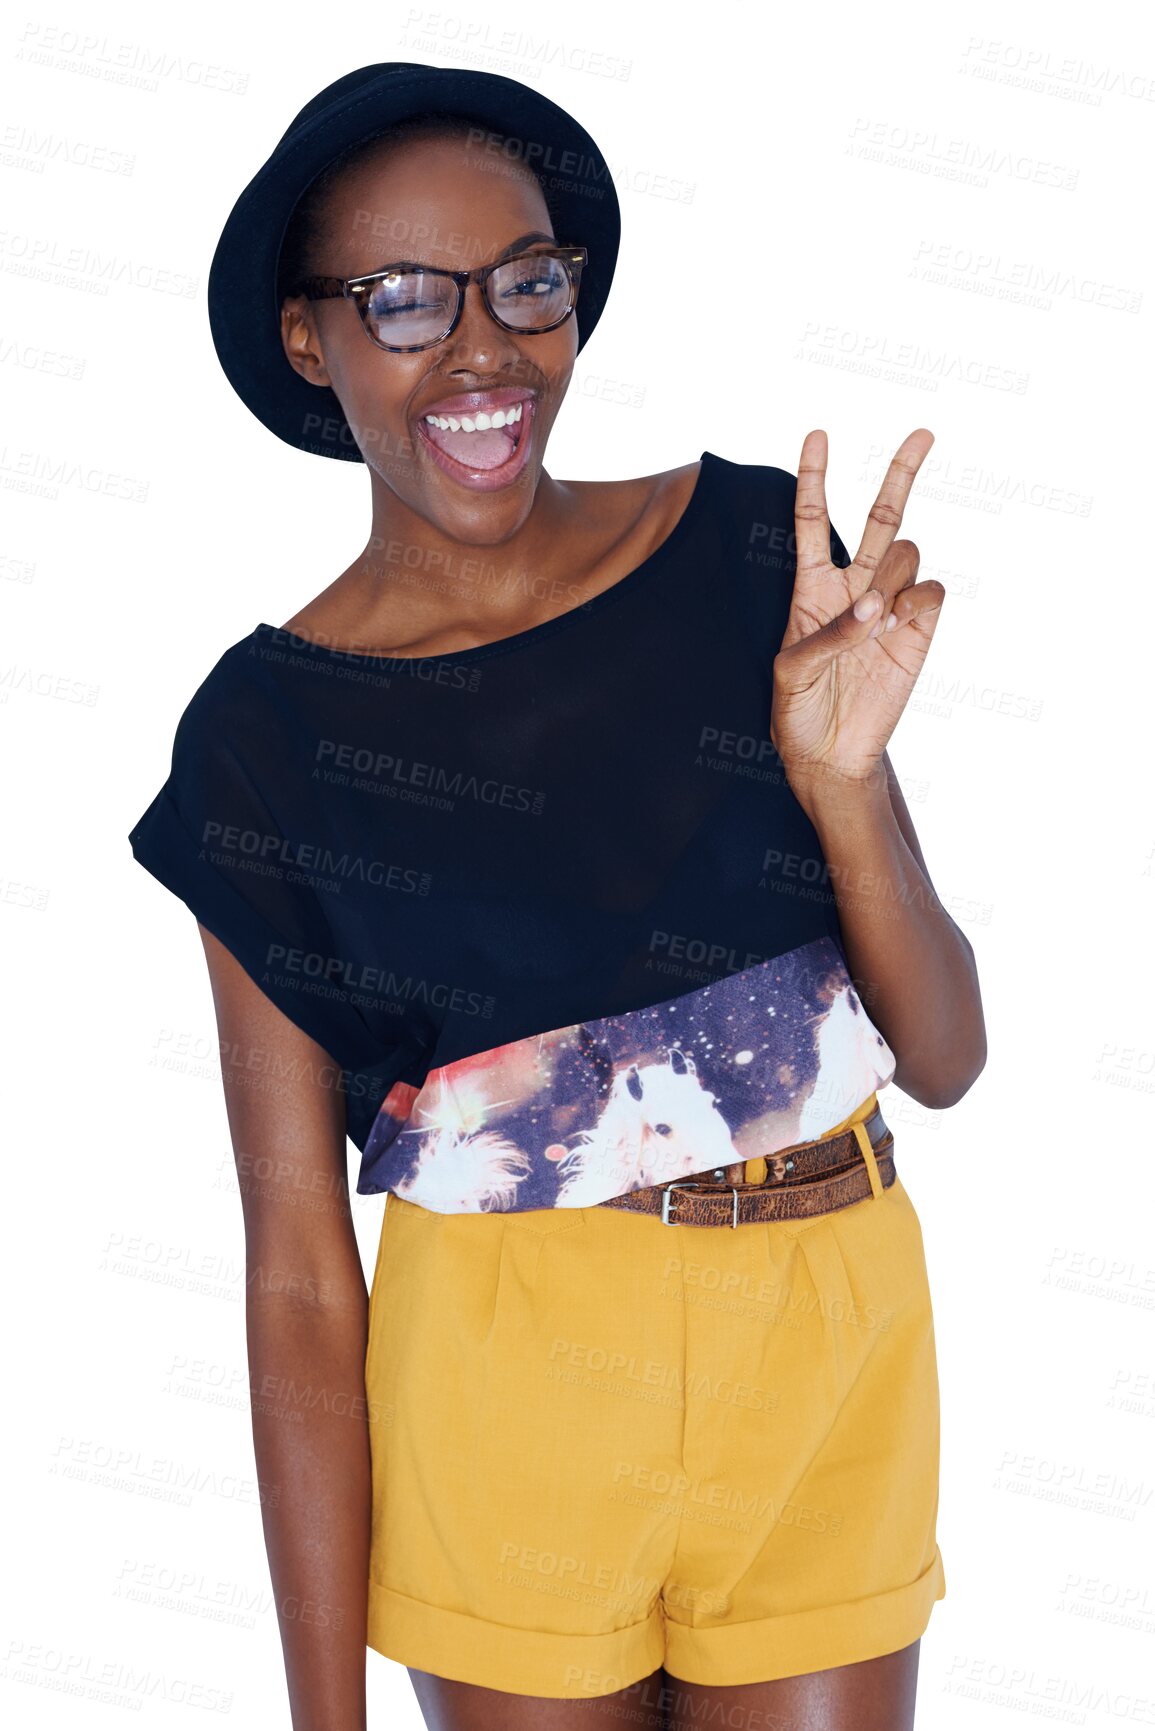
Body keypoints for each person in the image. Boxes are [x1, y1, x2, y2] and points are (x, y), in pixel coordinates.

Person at [128, 61, 986, 1731]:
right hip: (505, 1381)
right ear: (309, 341)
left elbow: (943, 1057)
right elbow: (301, 1269)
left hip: (825, 1344)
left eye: (524, 283)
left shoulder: (756, 557)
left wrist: (844, 780)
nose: (481, 350)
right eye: (401, 301)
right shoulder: (265, 741)